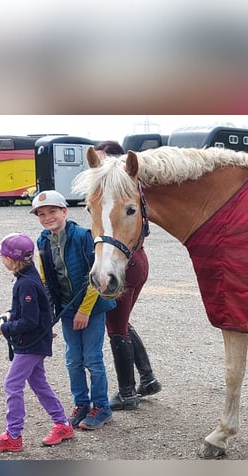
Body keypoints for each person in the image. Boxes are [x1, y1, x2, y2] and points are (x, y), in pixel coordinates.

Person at [31, 189, 117, 430]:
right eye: (41, 214)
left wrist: (85, 310)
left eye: (52, 211)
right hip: (67, 310)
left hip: (92, 308)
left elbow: (98, 277)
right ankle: (81, 404)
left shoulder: (83, 236)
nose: (47, 217)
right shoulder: (42, 242)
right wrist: (48, 319)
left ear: (64, 211)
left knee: (92, 359)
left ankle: (102, 407)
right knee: (72, 360)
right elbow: (47, 282)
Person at [0, 233, 75, 452]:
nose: (1, 260)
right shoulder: (28, 276)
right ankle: (63, 424)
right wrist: (10, 313)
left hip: (30, 345)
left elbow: (30, 320)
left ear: (13, 260)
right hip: (35, 342)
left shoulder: (26, 284)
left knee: (12, 385)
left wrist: (4, 329)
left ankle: (13, 436)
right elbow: (34, 311)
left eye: (3, 256)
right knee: (39, 384)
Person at [94, 140, 161, 411]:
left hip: (125, 263)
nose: (98, 166)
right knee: (123, 322)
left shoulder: (120, 188)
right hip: (138, 261)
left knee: (117, 328)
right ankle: (148, 379)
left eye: (101, 159)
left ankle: (126, 393)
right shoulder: (115, 189)